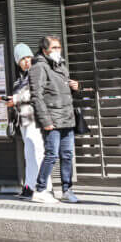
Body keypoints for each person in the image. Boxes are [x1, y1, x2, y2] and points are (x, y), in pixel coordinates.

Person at [31, 35, 79, 204]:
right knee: (51, 155)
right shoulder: (39, 67)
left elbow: (59, 91)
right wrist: (46, 121)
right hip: (52, 118)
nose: (58, 50)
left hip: (66, 117)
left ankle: (67, 190)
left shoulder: (61, 65)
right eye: (54, 48)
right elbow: (36, 95)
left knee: (67, 155)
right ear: (45, 50)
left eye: (59, 47)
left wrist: (73, 87)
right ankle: (41, 189)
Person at [7, 44, 43, 198]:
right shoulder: (19, 80)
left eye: (28, 57)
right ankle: (30, 185)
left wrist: (16, 99)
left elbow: (37, 93)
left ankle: (41, 186)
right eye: (22, 59)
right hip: (24, 120)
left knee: (37, 152)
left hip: (35, 118)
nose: (27, 61)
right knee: (29, 153)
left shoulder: (36, 73)